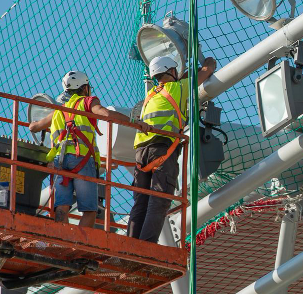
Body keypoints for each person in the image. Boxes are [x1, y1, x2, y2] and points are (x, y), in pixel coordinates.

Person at [28, 70, 141, 228]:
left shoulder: (59, 110)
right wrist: (132, 121)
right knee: (89, 210)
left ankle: (62, 240)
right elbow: (106, 114)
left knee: (62, 207)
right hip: (81, 159)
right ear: (84, 88)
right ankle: (78, 242)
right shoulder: (87, 102)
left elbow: (34, 127)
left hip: (60, 161)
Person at [128, 54, 216, 242]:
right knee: (159, 200)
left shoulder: (151, 95)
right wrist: (207, 60)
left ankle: (131, 244)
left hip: (141, 153)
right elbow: (208, 70)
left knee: (141, 202)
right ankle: (146, 247)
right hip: (162, 149)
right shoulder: (178, 88)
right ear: (170, 71)